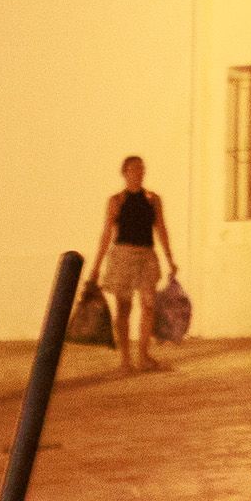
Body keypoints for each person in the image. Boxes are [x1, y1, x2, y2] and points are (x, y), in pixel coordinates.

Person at [90, 156, 180, 377]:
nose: (138, 173)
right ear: (124, 172)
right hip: (123, 256)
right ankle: (125, 360)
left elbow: (161, 229)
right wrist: (96, 266)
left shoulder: (152, 199)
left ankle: (143, 356)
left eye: (141, 169)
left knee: (148, 305)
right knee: (124, 308)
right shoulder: (116, 201)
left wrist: (170, 258)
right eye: (133, 169)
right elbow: (106, 234)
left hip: (147, 255)